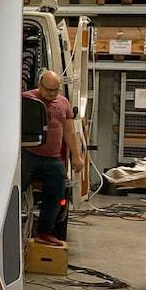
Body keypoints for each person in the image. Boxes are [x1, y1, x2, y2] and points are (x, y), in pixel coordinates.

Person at [22, 69, 85, 246]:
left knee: (58, 194)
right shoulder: (26, 100)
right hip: (29, 155)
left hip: (52, 159)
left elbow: (69, 131)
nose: (52, 94)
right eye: (48, 90)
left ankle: (45, 232)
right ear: (40, 85)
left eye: (55, 90)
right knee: (15, 190)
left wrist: (77, 156)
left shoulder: (63, 103)